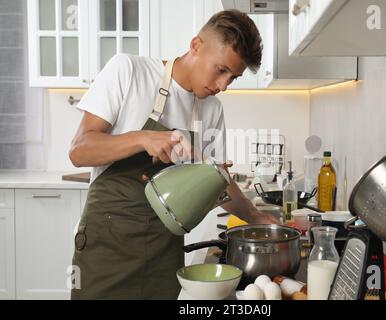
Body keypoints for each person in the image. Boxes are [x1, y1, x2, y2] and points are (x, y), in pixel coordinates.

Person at [68, 9, 279, 300]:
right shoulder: (129, 71)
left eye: (233, 78)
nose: (222, 86)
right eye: (221, 70)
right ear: (196, 45)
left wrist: (255, 217)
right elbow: (79, 150)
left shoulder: (211, 110)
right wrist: (143, 138)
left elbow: (219, 183)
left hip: (164, 251)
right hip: (108, 245)